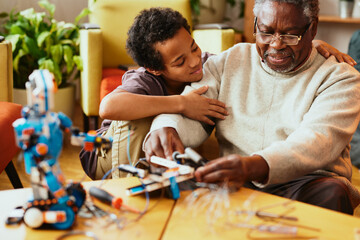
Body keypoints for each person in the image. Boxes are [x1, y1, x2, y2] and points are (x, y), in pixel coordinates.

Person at [80, 7, 356, 180]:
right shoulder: (143, 81)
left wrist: (308, 43)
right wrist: (180, 105)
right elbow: (109, 106)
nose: (193, 61)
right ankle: (124, 183)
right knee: (148, 120)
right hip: (106, 150)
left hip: (303, 180)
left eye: (194, 48)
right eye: (179, 62)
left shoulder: (210, 64)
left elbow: (278, 40)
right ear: (154, 69)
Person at [143, 0, 360, 215]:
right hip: (236, 180)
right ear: (256, 23)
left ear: (312, 28)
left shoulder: (341, 78)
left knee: (332, 192)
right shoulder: (229, 60)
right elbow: (192, 104)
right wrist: (166, 128)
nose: (276, 44)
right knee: (170, 188)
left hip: (302, 183)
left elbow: (316, 142)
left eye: (290, 35)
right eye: (265, 32)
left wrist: (252, 166)